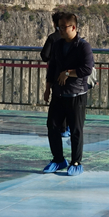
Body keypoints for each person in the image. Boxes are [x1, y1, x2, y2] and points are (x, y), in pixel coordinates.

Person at [42, 13, 93, 176]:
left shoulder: (83, 46)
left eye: (64, 27)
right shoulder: (57, 45)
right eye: (59, 27)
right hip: (58, 93)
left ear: (73, 27)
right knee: (52, 126)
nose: (61, 30)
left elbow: (87, 68)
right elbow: (52, 67)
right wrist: (48, 88)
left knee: (76, 129)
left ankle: (76, 162)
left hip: (76, 94)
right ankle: (58, 159)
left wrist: (68, 73)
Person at [39, 11, 70, 139]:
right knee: (69, 102)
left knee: (58, 102)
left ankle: (60, 128)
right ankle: (68, 127)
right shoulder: (72, 39)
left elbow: (44, 55)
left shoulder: (53, 38)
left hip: (56, 75)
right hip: (71, 77)